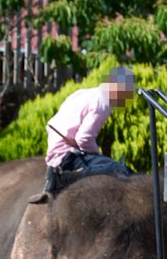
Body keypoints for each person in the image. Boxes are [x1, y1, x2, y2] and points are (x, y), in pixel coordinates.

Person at [38, 66, 137, 200]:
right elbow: (83, 138)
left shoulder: (84, 93)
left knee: (106, 163)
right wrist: (96, 154)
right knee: (120, 169)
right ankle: (62, 179)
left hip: (55, 151)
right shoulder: (103, 102)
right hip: (68, 156)